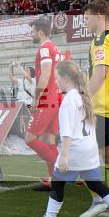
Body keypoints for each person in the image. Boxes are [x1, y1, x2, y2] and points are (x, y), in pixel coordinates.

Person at [24, 60, 109, 217]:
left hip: (75, 150)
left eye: (57, 78)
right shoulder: (82, 95)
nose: (56, 82)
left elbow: (68, 133)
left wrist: (63, 156)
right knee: (96, 185)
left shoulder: (69, 99)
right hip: (89, 149)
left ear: (66, 78)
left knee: (58, 183)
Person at [79, 0, 109, 217]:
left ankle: (99, 201)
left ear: (99, 16)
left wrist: (82, 99)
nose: (85, 22)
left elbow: (100, 74)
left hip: (99, 106)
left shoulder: (100, 39)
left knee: (85, 156)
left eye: (87, 17)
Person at [24, 18, 63, 189]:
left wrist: (36, 98)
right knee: (49, 140)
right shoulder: (55, 48)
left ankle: (62, 170)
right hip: (56, 97)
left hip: (47, 98)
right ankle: (54, 181)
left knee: (30, 138)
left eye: (32, 31)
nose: (31, 34)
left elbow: (46, 74)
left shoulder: (45, 48)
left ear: (40, 32)